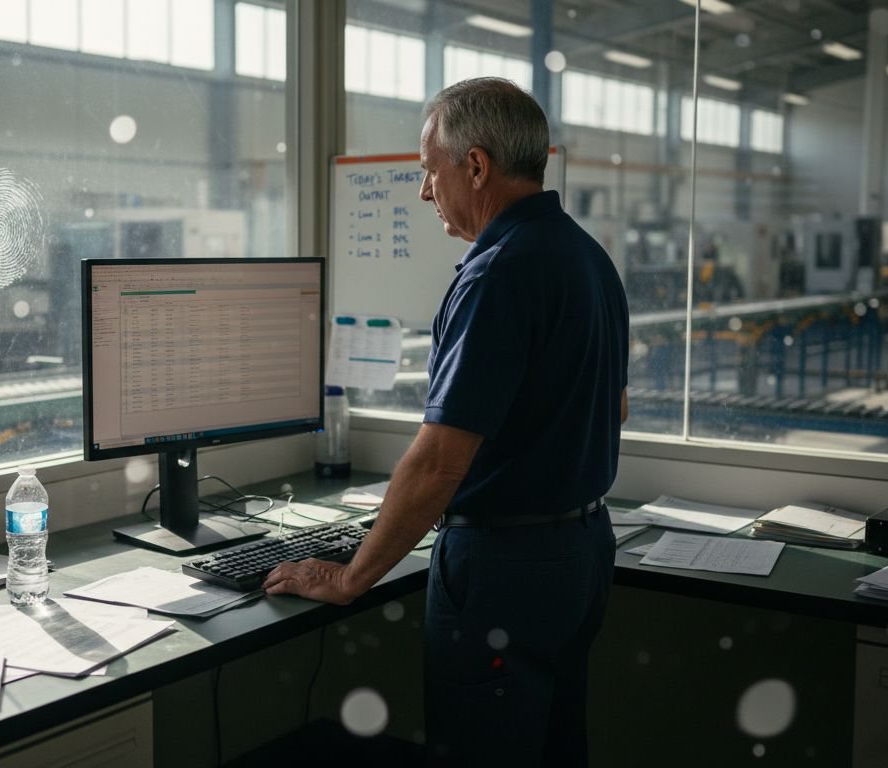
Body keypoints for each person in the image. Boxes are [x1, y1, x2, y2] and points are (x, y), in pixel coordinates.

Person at [263, 77, 629, 767]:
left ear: (477, 166)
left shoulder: (498, 274)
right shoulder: (587, 257)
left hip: (504, 570)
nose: (424, 192)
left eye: (431, 171)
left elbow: (439, 461)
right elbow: (615, 408)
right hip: (581, 556)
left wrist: (351, 576)